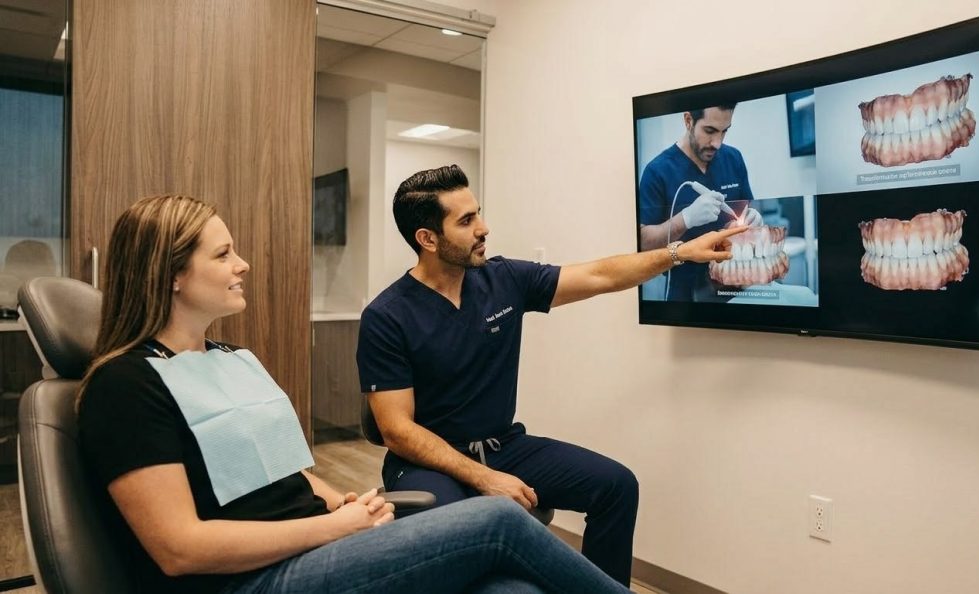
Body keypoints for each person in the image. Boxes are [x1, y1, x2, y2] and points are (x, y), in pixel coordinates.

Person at [77, 194, 635, 594]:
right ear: (171, 274)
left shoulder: (226, 360)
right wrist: (334, 527)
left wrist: (340, 499)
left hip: (312, 543)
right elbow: (179, 549)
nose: (242, 264)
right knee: (497, 521)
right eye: (222, 255)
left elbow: (283, 473)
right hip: (251, 578)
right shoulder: (125, 385)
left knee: (511, 586)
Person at [357, 165, 746, 585]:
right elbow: (397, 430)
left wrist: (680, 253)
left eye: (479, 214)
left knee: (616, 486)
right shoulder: (387, 316)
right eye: (466, 221)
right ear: (427, 239)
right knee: (471, 537)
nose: (483, 228)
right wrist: (484, 478)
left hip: (502, 445)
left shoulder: (502, 279)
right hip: (426, 462)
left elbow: (600, 275)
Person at [638, 105, 761, 301]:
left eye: (724, 131)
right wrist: (685, 219)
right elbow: (643, 243)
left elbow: (747, 211)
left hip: (733, 284)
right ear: (688, 121)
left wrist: (751, 221)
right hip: (686, 295)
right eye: (710, 131)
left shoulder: (734, 158)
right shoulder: (657, 171)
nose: (718, 143)